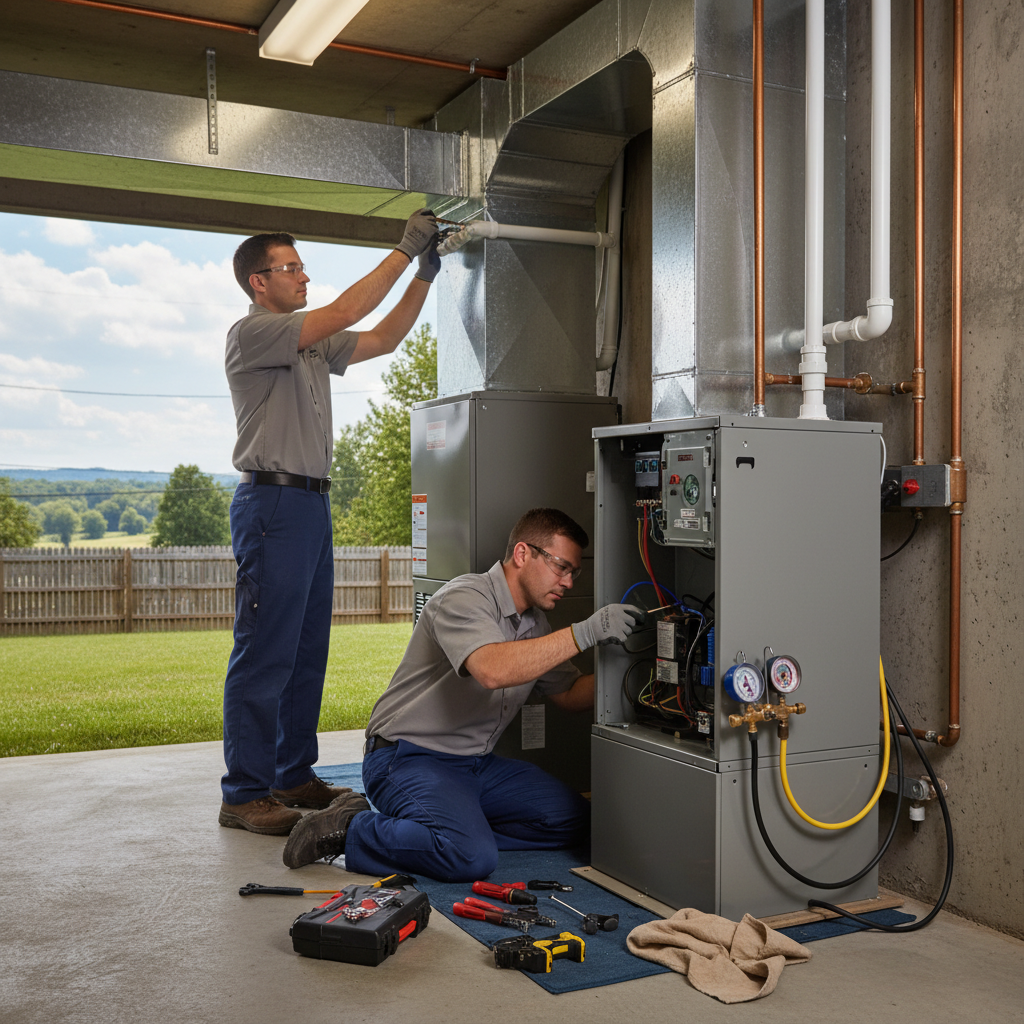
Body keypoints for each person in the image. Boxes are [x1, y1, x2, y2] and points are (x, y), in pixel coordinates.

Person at [218, 210, 440, 836]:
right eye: (289, 268)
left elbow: (383, 338)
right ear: (258, 282)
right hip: (273, 505)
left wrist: (423, 275)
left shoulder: (309, 341)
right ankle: (244, 793)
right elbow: (345, 312)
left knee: (306, 650)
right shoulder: (254, 332)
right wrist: (403, 249)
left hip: (311, 504)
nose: (302, 275)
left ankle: (290, 774)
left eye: (301, 266)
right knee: (264, 652)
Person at [281, 507, 643, 881]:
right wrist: (586, 632)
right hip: (406, 758)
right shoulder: (465, 597)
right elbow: (491, 670)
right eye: (561, 567)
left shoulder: (536, 625)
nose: (568, 582)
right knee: (471, 858)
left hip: (475, 765)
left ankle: (445, 830)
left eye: (573, 571)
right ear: (523, 554)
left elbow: (569, 693)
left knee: (575, 820)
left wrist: (639, 678)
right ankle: (353, 827)